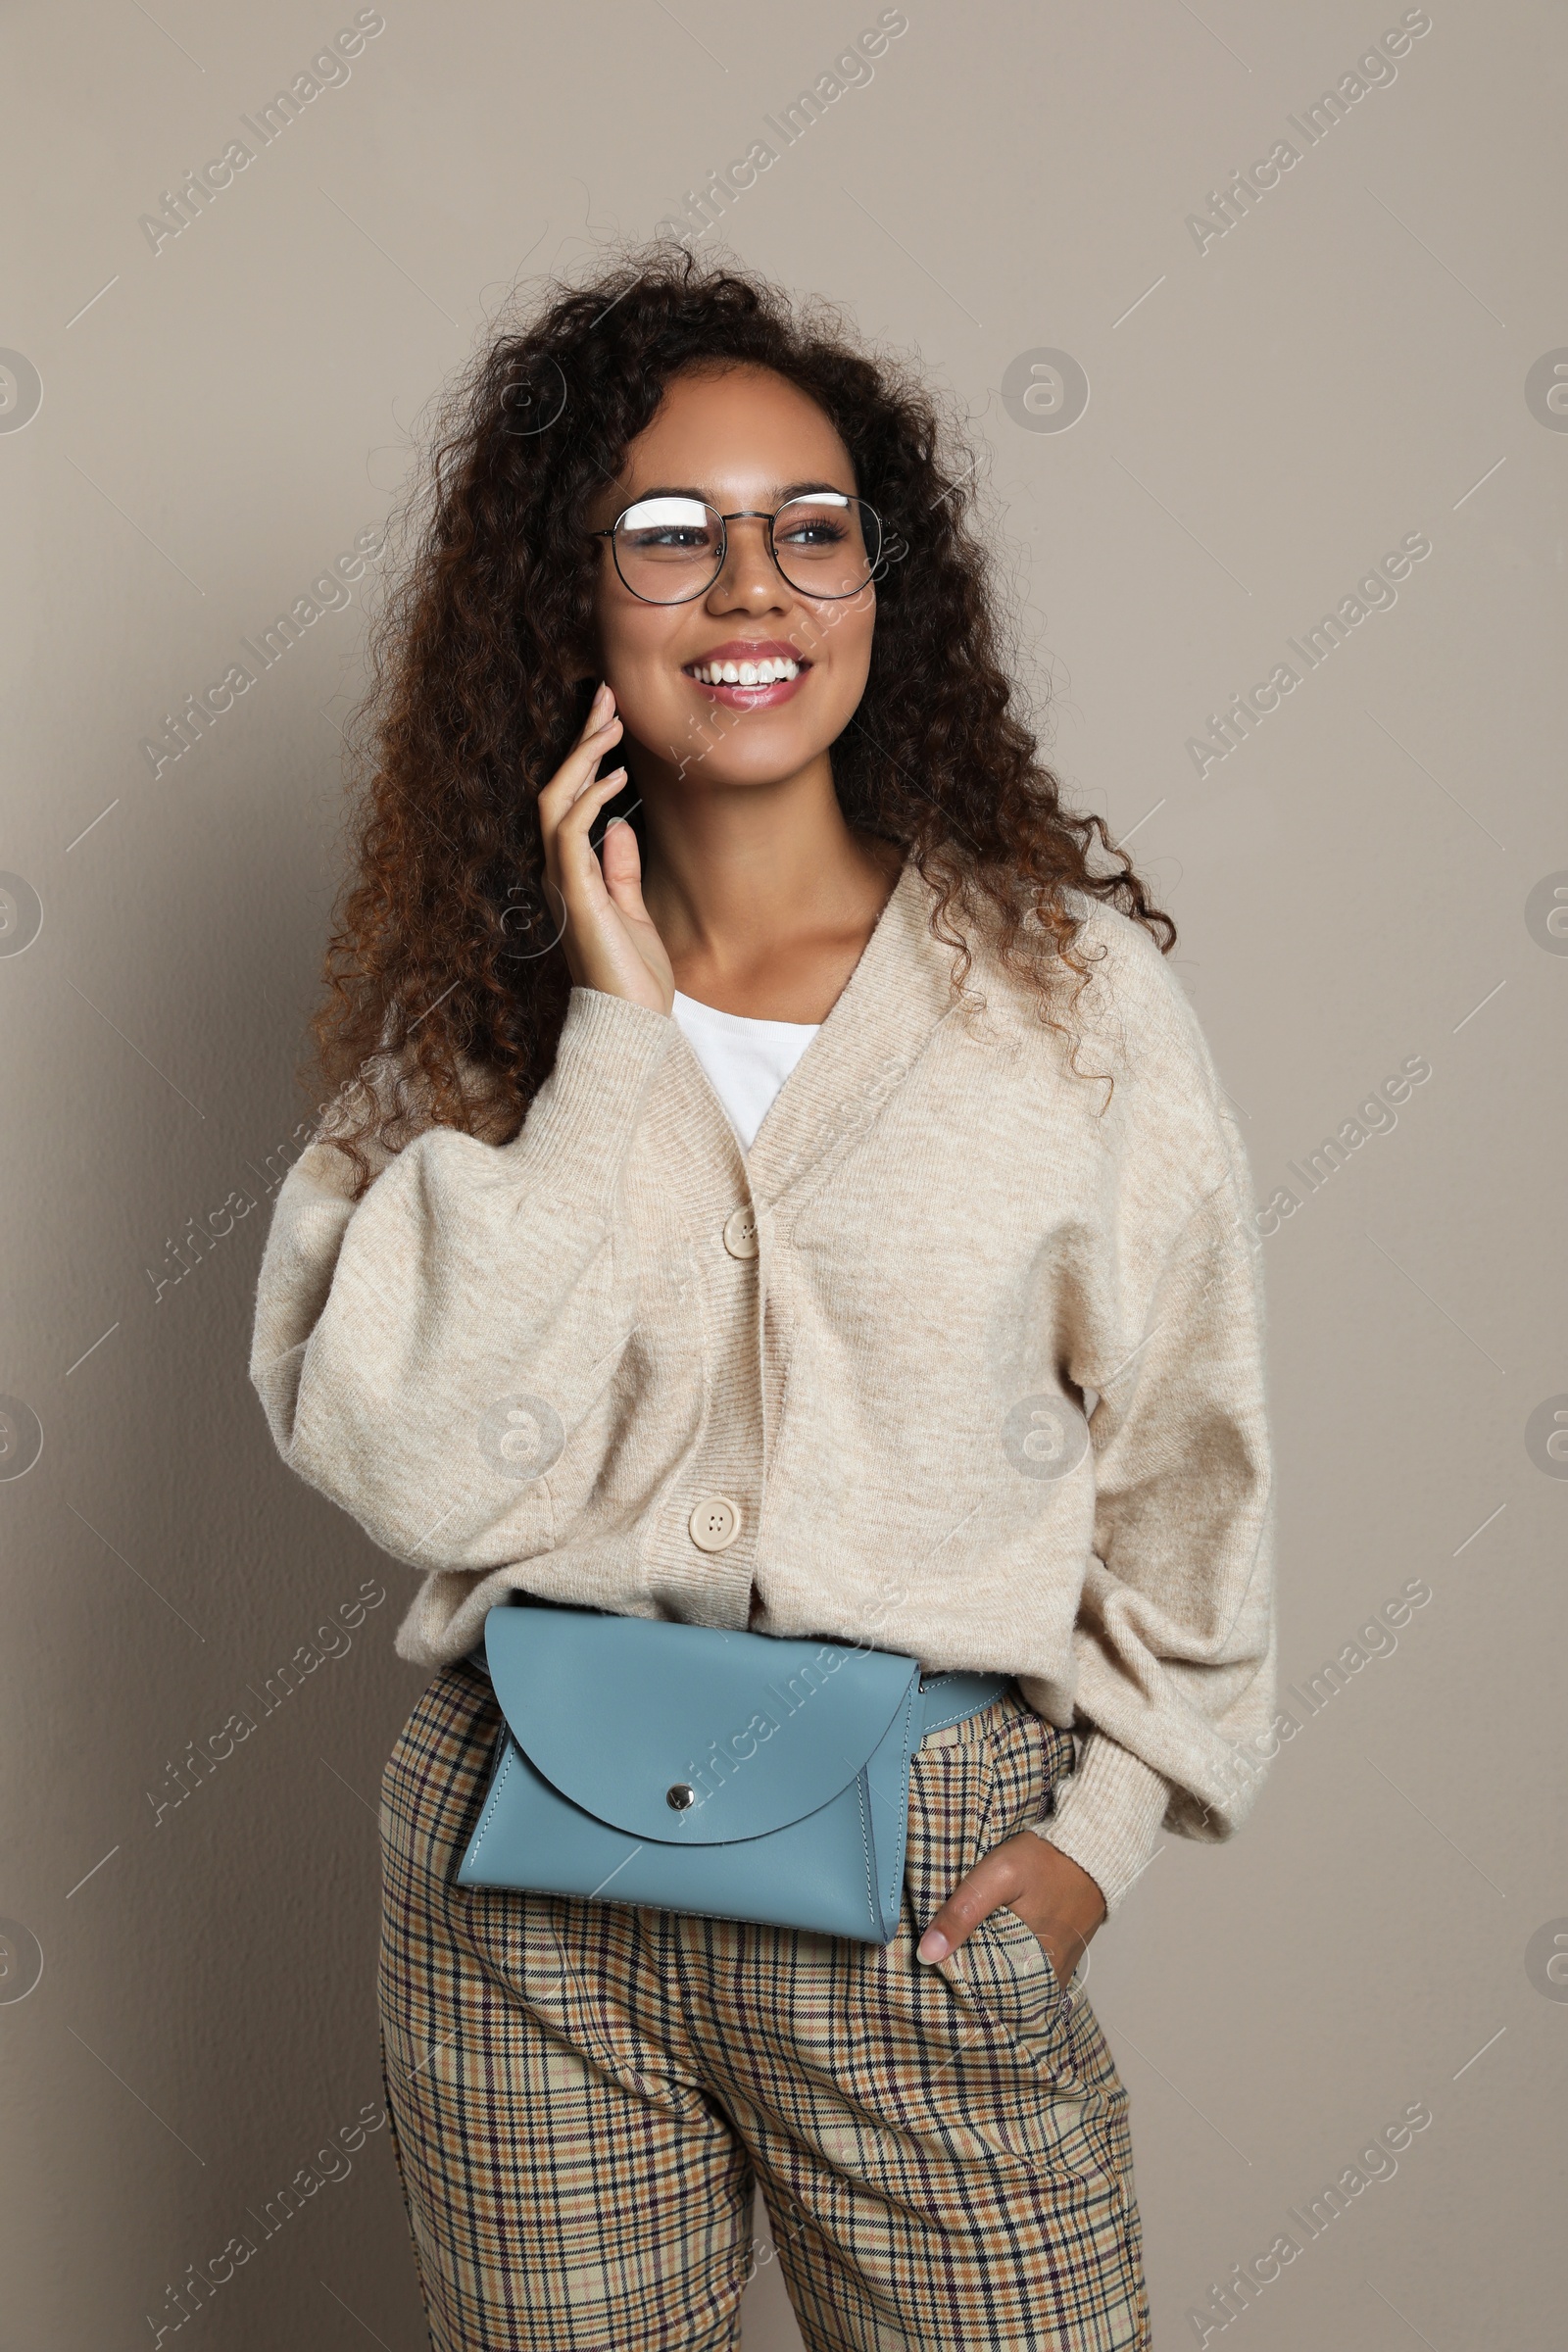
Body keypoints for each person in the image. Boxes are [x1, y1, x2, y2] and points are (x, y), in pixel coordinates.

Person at [249, 246, 1275, 2352]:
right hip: (513, 1887)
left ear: (882, 593)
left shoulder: (1061, 1006)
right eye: (668, 538)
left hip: (924, 1878)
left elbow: (1186, 1464)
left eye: (811, 534)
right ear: (568, 599)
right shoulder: (474, 1035)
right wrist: (613, 1049)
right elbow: (403, 1459)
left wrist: (1092, 1838)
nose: (751, 592)